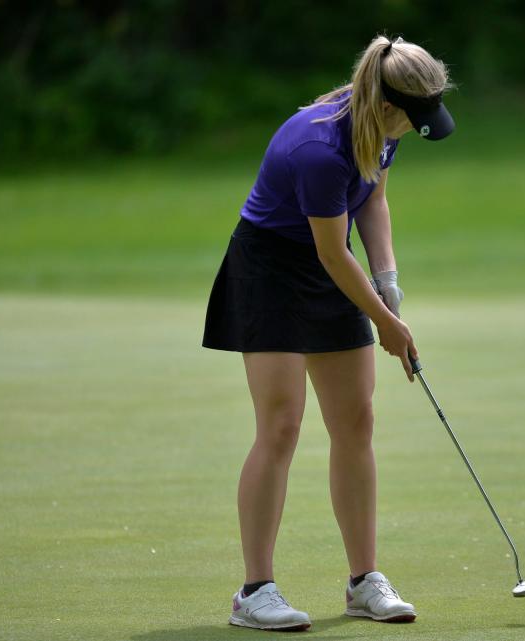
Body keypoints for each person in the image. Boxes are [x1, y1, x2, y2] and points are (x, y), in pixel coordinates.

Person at [202, 35, 455, 632]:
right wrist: (386, 324)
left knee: (356, 420)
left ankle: (364, 581)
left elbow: (373, 199)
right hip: (272, 267)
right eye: (410, 119)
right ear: (386, 104)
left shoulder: (381, 126)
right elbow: (330, 254)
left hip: (327, 258)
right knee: (283, 422)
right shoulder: (318, 147)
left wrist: (388, 279)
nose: (411, 130)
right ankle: (254, 591)